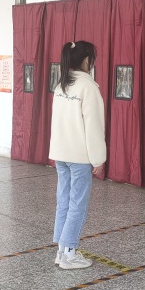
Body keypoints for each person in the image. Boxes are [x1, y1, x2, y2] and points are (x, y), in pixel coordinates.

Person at [49, 41, 106, 269]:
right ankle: (70, 254)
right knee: (77, 205)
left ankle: (61, 251)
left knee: (63, 202)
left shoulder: (61, 85)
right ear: (86, 60)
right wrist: (98, 158)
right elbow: (93, 127)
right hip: (79, 155)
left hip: (60, 153)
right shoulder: (88, 87)